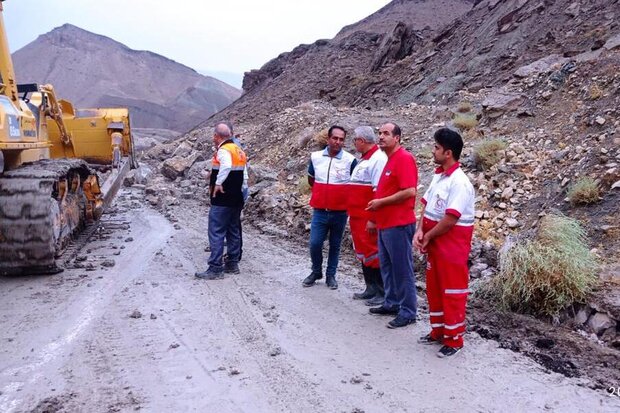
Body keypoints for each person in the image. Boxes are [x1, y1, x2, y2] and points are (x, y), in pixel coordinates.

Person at [414, 128, 475, 358]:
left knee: (452, 292)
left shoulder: (460, 183)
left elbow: (450, 218)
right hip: (435, 245)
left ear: (448, 153)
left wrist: (428, 235)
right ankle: (438, 331)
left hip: (451, 247)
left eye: (437, 148)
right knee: (435, 289)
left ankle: (454, 339)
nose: (433, 151)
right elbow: (427, 206)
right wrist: (420, 230)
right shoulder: (439, 176)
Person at [366, 122, 418, 329]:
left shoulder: (404, 158)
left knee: (402, 269)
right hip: (385, 224)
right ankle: (392, 302)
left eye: (386, 133)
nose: (381, 137)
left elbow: (410, 191)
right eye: (379, 133)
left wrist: (381, 203)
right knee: (387, 266)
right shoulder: (389, 160)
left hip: (399, 224)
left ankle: (408, 311)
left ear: (397, 138)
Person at [303, 125, 358, 289]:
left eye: (341, 139)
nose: (338, 142)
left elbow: (355, 184)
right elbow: (311, 179)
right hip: (320, 210)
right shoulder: (316, 157)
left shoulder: (350, 160)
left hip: (340, 212)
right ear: (328, 139)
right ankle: (316, 271)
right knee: (315, 243)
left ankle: (331, 275)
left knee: (335, 245)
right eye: (335, 138)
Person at [195, 123, 248, 279]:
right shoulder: (239, 151)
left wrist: (218, 183)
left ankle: (215, 267)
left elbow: (225, 166)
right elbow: (243, 174)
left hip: (223, 198)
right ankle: (232, 262)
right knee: (233, 230)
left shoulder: (224, 150)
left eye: (214, 136)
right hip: (236, 198)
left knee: (216, 230)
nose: (213, 139)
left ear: (217, 136)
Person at [346, 126, 387, 302]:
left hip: (367, 217)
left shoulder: (378, 159)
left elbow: (379, 192)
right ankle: (370, 287)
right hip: (357, 216)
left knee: (373, 252)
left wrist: (373, 219)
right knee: (363, 252)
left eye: (355, 140)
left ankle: (381, 291)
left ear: (361, 141)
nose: (354, 143)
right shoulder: (364, 160)